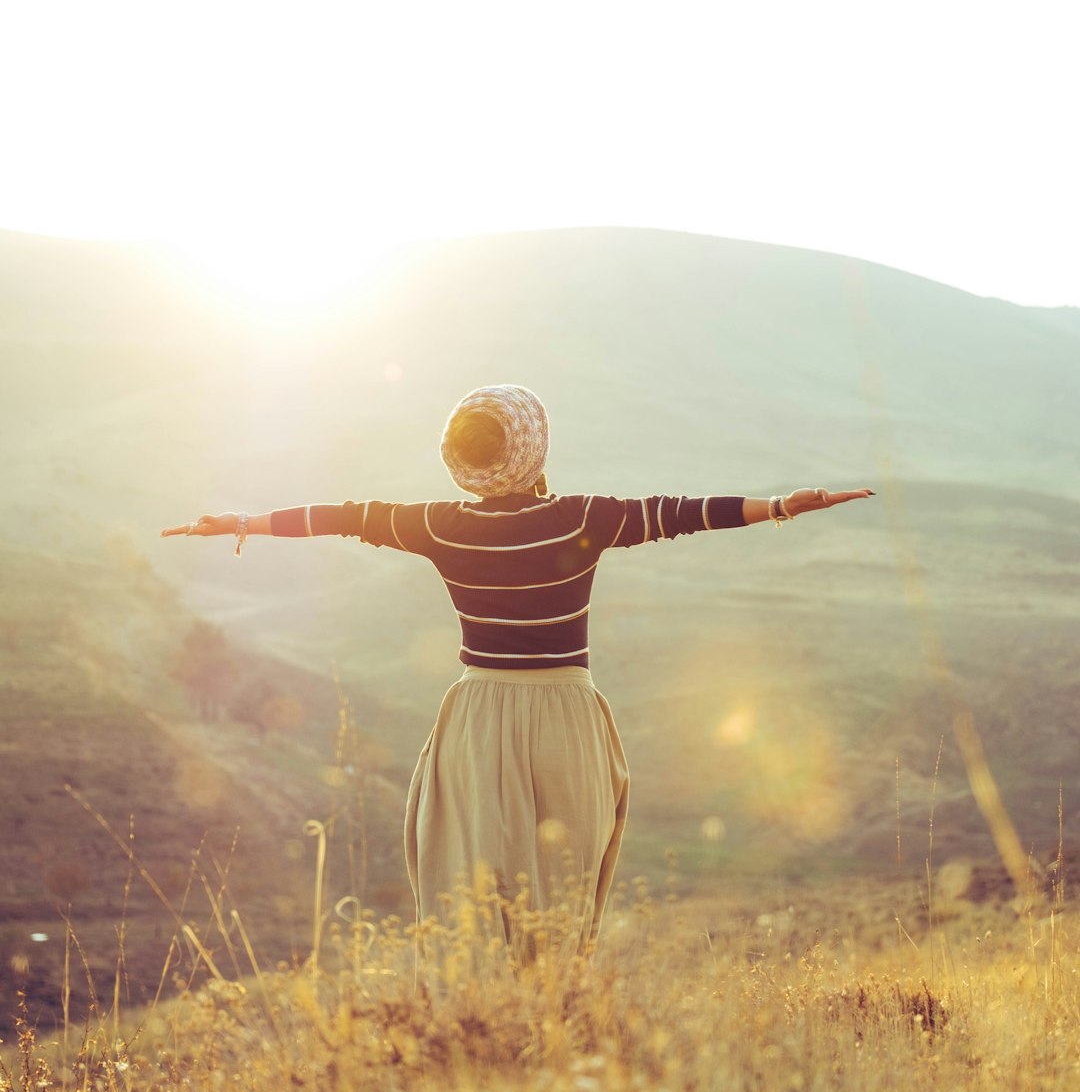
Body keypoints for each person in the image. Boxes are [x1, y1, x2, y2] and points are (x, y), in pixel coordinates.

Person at [162, 383, 873, 962]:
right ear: (534, 453)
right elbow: (683, 514)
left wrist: (246, 523)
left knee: (475, 879)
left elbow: (344, 516)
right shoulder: (581, 519)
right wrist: (782, 506)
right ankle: (546, 1022)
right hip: (564, 714)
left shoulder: (438, 525)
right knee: (561, 887)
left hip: (475, 716)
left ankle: (479, 1018)